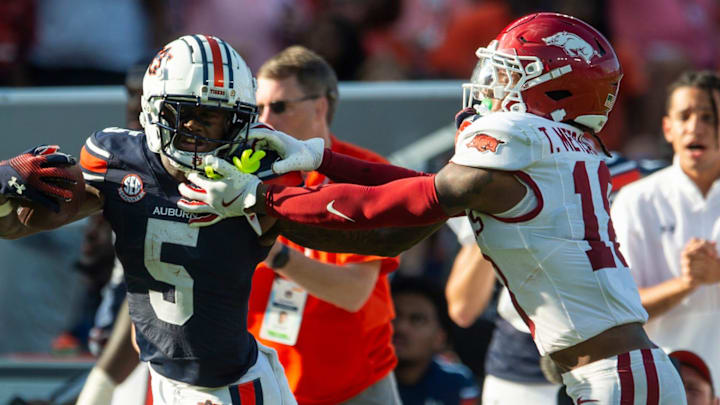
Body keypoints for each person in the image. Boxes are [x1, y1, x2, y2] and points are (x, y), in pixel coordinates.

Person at [182, 12, 688, 403]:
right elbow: (424, 190)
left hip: (613, 377)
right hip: (618, 371)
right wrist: (321, 157)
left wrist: (263, 197)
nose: (491, 85)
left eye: (510, 72)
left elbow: (394, 220)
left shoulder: (519, 139)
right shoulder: (563, 149)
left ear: (553, 85)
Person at [248, 46, 402, 405]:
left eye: (280, 106)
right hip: (267, 380)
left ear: (321, 105)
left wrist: (275, 254)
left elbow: (353, 294)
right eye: (258, 108)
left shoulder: (365, 174)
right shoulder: (246, 174)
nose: (265, 119)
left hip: (356, 385)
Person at [611, 70, 720, 392]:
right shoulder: (636, 200)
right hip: (659, 389)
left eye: (709, 116)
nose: (696, 127)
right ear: (667, 127)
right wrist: (688, 284)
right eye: (685, 115)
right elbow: (620, 309)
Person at [392, 276, 480, 405]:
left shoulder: (457, 382)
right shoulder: (360, 377)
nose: (400, 327)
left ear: (440, 337)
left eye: (417, 320)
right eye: (394, 315)